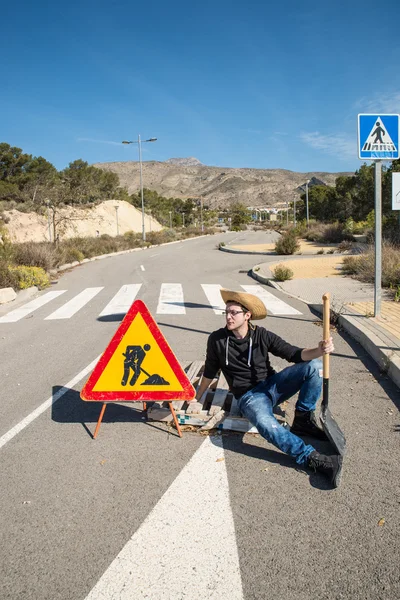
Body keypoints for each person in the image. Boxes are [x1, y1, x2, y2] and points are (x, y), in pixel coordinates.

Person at [195, 289, 343, 487]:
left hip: (273, 386)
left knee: (315, 367)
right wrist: (197, 396)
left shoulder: (262, 336)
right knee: (265, 423)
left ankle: (303, 419)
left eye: (233, 312)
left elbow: (293, 354)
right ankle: (311, 458)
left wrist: (319, 350)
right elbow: (210, 371)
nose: (228, 317)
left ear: (247, 315)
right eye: (226, 312)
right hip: (250, 397)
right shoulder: (217, 339)